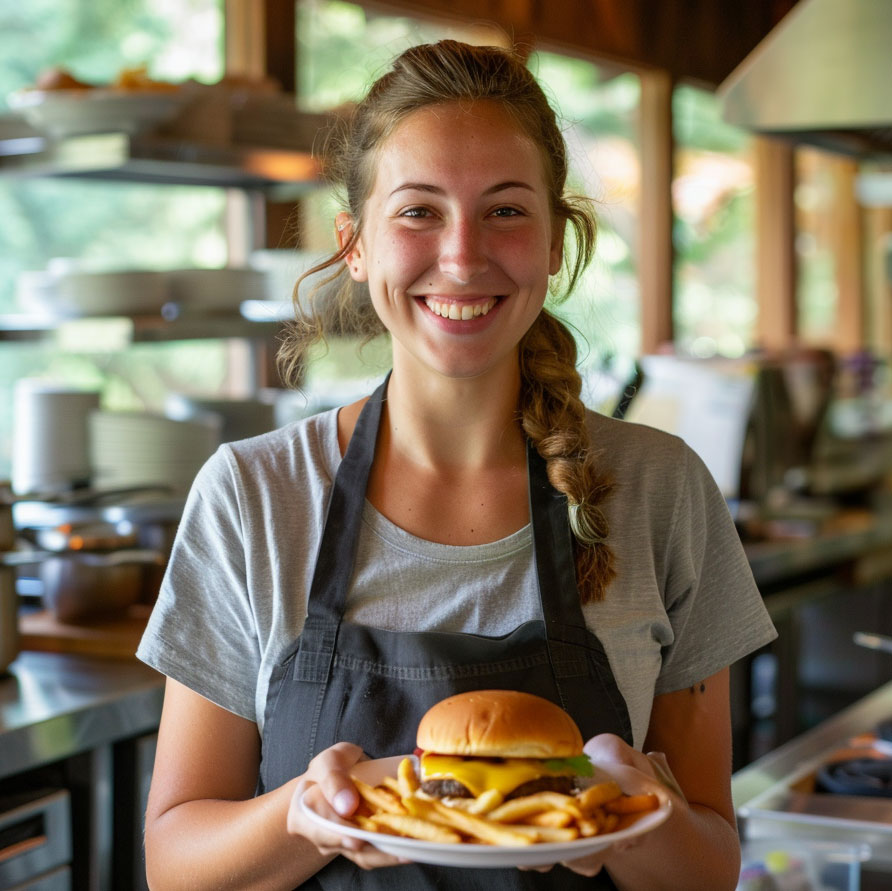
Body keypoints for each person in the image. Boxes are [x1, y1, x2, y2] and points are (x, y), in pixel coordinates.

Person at [138, 39, 777, 890]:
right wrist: (305, 817)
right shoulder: (255, 495)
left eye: (507, 211)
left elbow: (710, 865)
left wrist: (629, 828)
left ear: (556, 241)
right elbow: (175, 862)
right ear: (354, 244)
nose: (464, 256)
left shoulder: (663, 489)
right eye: (418, 211)